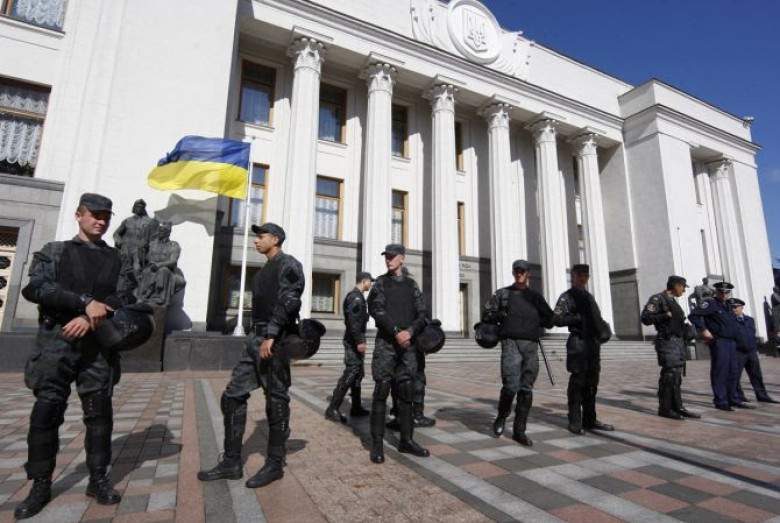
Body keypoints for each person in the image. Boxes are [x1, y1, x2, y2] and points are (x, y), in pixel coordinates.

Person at [15, 193, 128, 519]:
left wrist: (89, 317)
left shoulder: (117, 259)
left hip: (97, 345)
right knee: (47, 411)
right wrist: (82, 303)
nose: (101, 221)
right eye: (94, 215)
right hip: (57, 342)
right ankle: (40, 484)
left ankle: (98, 479)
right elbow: (36, 288)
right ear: (79, 215)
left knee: (99, 413)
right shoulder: (56, 251)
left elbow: (125, 295)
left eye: (106, 216)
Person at [198, 223, 304, 488]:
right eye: (256, 237)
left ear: (275, 239)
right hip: (255, 340)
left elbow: (290, 300)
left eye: (261, 236)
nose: (256, 240)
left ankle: (275, 464)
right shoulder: (263, 271)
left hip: (274, 340)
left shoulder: (288, 264)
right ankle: (231, 462)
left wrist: (272, 334)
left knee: (276, 399)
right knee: (232, 395)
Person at [366, 244, 430, 463]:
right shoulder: (380, 283)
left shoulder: (412, 285)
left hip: (408, 345)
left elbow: (422, 313)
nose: (388, 259)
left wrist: (409, 332)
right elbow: (376, 310)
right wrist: (396, 332)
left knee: (405, 392)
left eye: (393, 256)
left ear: (402, 258)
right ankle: (377, 444)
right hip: (387, 343)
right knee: (381, 390)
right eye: (386, 256)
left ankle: (406, 440)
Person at [482, 260, 554, 446]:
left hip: (531, 345)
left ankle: (519, 430)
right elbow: (486, 315)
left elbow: (550, 320)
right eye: (517, 271)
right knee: (510, 386)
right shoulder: (503, 294)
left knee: (526, 389)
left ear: (529, 273)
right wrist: (500, 315)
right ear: (513, 273)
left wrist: (540, 319)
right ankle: (501, 416)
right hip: (510, 343)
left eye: (523, 271)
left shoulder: (535, 297)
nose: (519, 274)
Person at [553, 264, 614, 435]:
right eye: (579, 275)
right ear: (573, 276)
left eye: (585, 275)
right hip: (578, 344)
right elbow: (556, 319)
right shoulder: (567, 297)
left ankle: (590, 419)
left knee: (591, 384)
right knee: (577, 383)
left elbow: (597, 318)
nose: (582, 278)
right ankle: (574, 420)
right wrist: (577, 319)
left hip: (592, 345)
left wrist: (603, 329)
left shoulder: (589, 297)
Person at [641, 276, 701, 420]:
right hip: (667, 341)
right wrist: (664, 315)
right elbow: (645, 318)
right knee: (669, 375)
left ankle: (678, 407)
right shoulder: (657, 299)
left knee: (676, 376)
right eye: (683, 287)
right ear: (675, 285)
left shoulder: (673, 302)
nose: (684, 290)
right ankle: (665, 408)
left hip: (678, 342)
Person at [688, 281, 750, 411]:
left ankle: (733, 398)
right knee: (720, 371)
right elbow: (693, 315)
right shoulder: (711, 303)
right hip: (720, 341)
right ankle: (721, 400)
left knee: (733, 371)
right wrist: (703, 330)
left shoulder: (729, 306)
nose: (724, 294)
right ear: (717, 292)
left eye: (727, 292)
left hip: (732, 342)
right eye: (721, 292)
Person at [325, 271, 374, 422]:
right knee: (351, 372)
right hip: (353, 340)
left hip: (356, 337)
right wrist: (359, 341)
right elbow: (353, 321)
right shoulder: (355, 297)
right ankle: (332, 408)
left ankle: (356, 407)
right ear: (364, 281)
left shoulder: (359, 297)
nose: (371, 284)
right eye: (370, 281)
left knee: (358, 373)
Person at [730, 298, 779, 404]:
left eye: (736, 307)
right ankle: (739, 396)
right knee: (735, 376)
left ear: (741, 307)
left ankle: (762, 395)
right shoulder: (729, 321)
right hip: (738, 352)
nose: (734, 309)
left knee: (756, 375)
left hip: (751, 352)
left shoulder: (750, 320)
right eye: (732, 307)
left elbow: (752, 333)